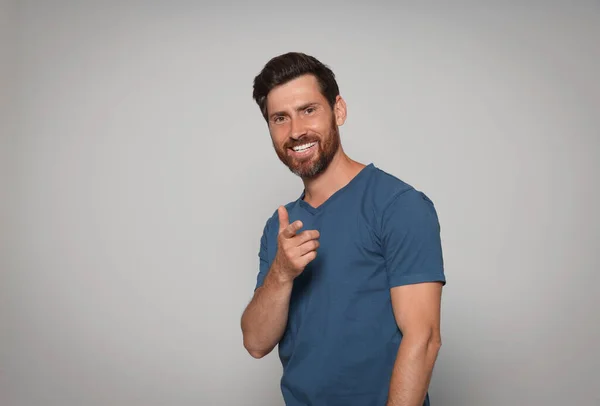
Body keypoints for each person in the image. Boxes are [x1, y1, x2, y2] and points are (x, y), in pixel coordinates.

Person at [240, 52, 446, 406]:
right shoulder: (280, 225)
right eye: (280, 118)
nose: (295, 131)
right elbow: (256, 342)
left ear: (338, 111)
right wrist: (281, 273)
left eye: (308, 110)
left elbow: (423, 338)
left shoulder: (399, 205)